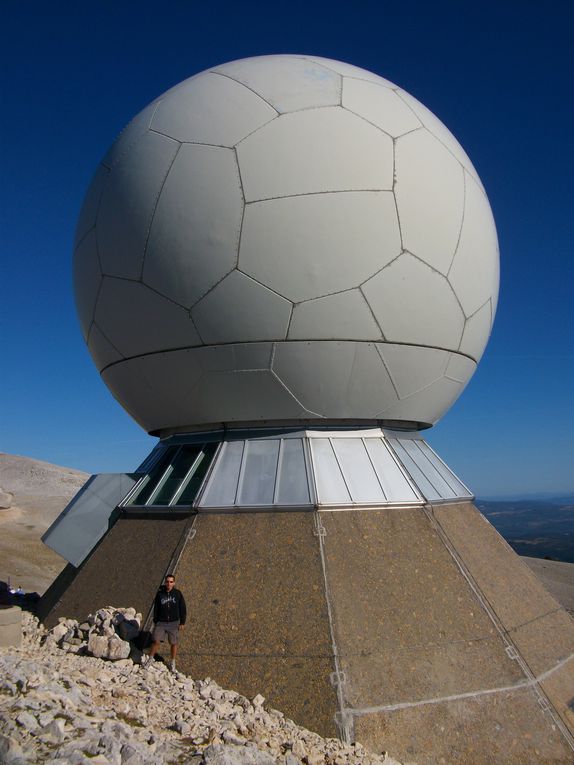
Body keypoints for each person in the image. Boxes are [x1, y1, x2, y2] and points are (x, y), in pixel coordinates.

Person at [148, 573, 186, 672]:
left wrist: (182, 622)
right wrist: (155, 620)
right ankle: (150, 658)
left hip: (174, 623)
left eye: (171, 582)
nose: (169, 584)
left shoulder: (177, 594)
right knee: (156, 640)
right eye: (167, 582)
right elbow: (156, 608)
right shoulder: (160, 594)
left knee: (174, 643)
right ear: (165, 583)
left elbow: (182, 608)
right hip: (161, 622)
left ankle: (172, 662)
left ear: (174, 583)